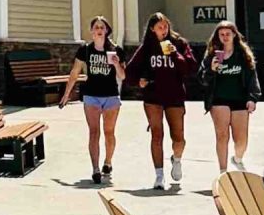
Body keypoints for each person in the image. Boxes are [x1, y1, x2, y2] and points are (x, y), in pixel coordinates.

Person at [120, 10, 196, 192]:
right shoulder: (147, 47)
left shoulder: (178, 43)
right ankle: (159, 175)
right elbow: (130, 72)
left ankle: (176, 159)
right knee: (156, 134)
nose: (163, 29)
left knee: (178, 138)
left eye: (165, 26)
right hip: (153, 96)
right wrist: (139, 81)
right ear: (152, 29)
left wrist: (174, 54)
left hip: (174, 95)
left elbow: (190, 68)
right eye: (159, 27)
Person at [59, 16, 124, 185]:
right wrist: (67, 94)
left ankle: (108, 162)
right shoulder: (86, 50)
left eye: (102, 27)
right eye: (96, 27)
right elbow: (75, 71)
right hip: (91, 95)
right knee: (94, 132)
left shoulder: (115, 50)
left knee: (109, 132)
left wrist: (117, 64)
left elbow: (123, 75)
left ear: (107, 30)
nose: (99, 29)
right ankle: (95, 169)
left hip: (110, 96)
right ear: (92, 31)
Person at [197, 20, 259, 173]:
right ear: (217, 37)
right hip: (219, 99)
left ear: (234, 36)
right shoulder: (212, 56)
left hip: (240, 99)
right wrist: (211, 70)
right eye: (221, 34)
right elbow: (202, 79)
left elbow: (252, 77)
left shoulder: (243, 55)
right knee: (222, 135)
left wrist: (252, 98)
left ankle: (237, 159)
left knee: (241, 140)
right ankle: (223, 171)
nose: (225, 37)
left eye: (228, 34)